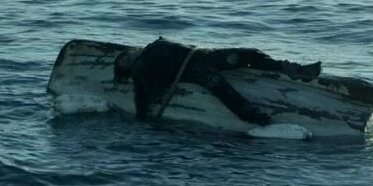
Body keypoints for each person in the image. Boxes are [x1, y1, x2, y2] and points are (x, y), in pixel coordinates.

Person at [113, 37, 321, 125]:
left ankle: (299, 71)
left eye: (123, 56)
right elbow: (141, 96)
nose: (125, 59)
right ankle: (256, 117)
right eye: (123, 64)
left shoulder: (152, 46)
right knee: (224, 91)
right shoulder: (139, 67)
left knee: (250, 54)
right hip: (194, 69)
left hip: (204, 55)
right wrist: (141, 119)